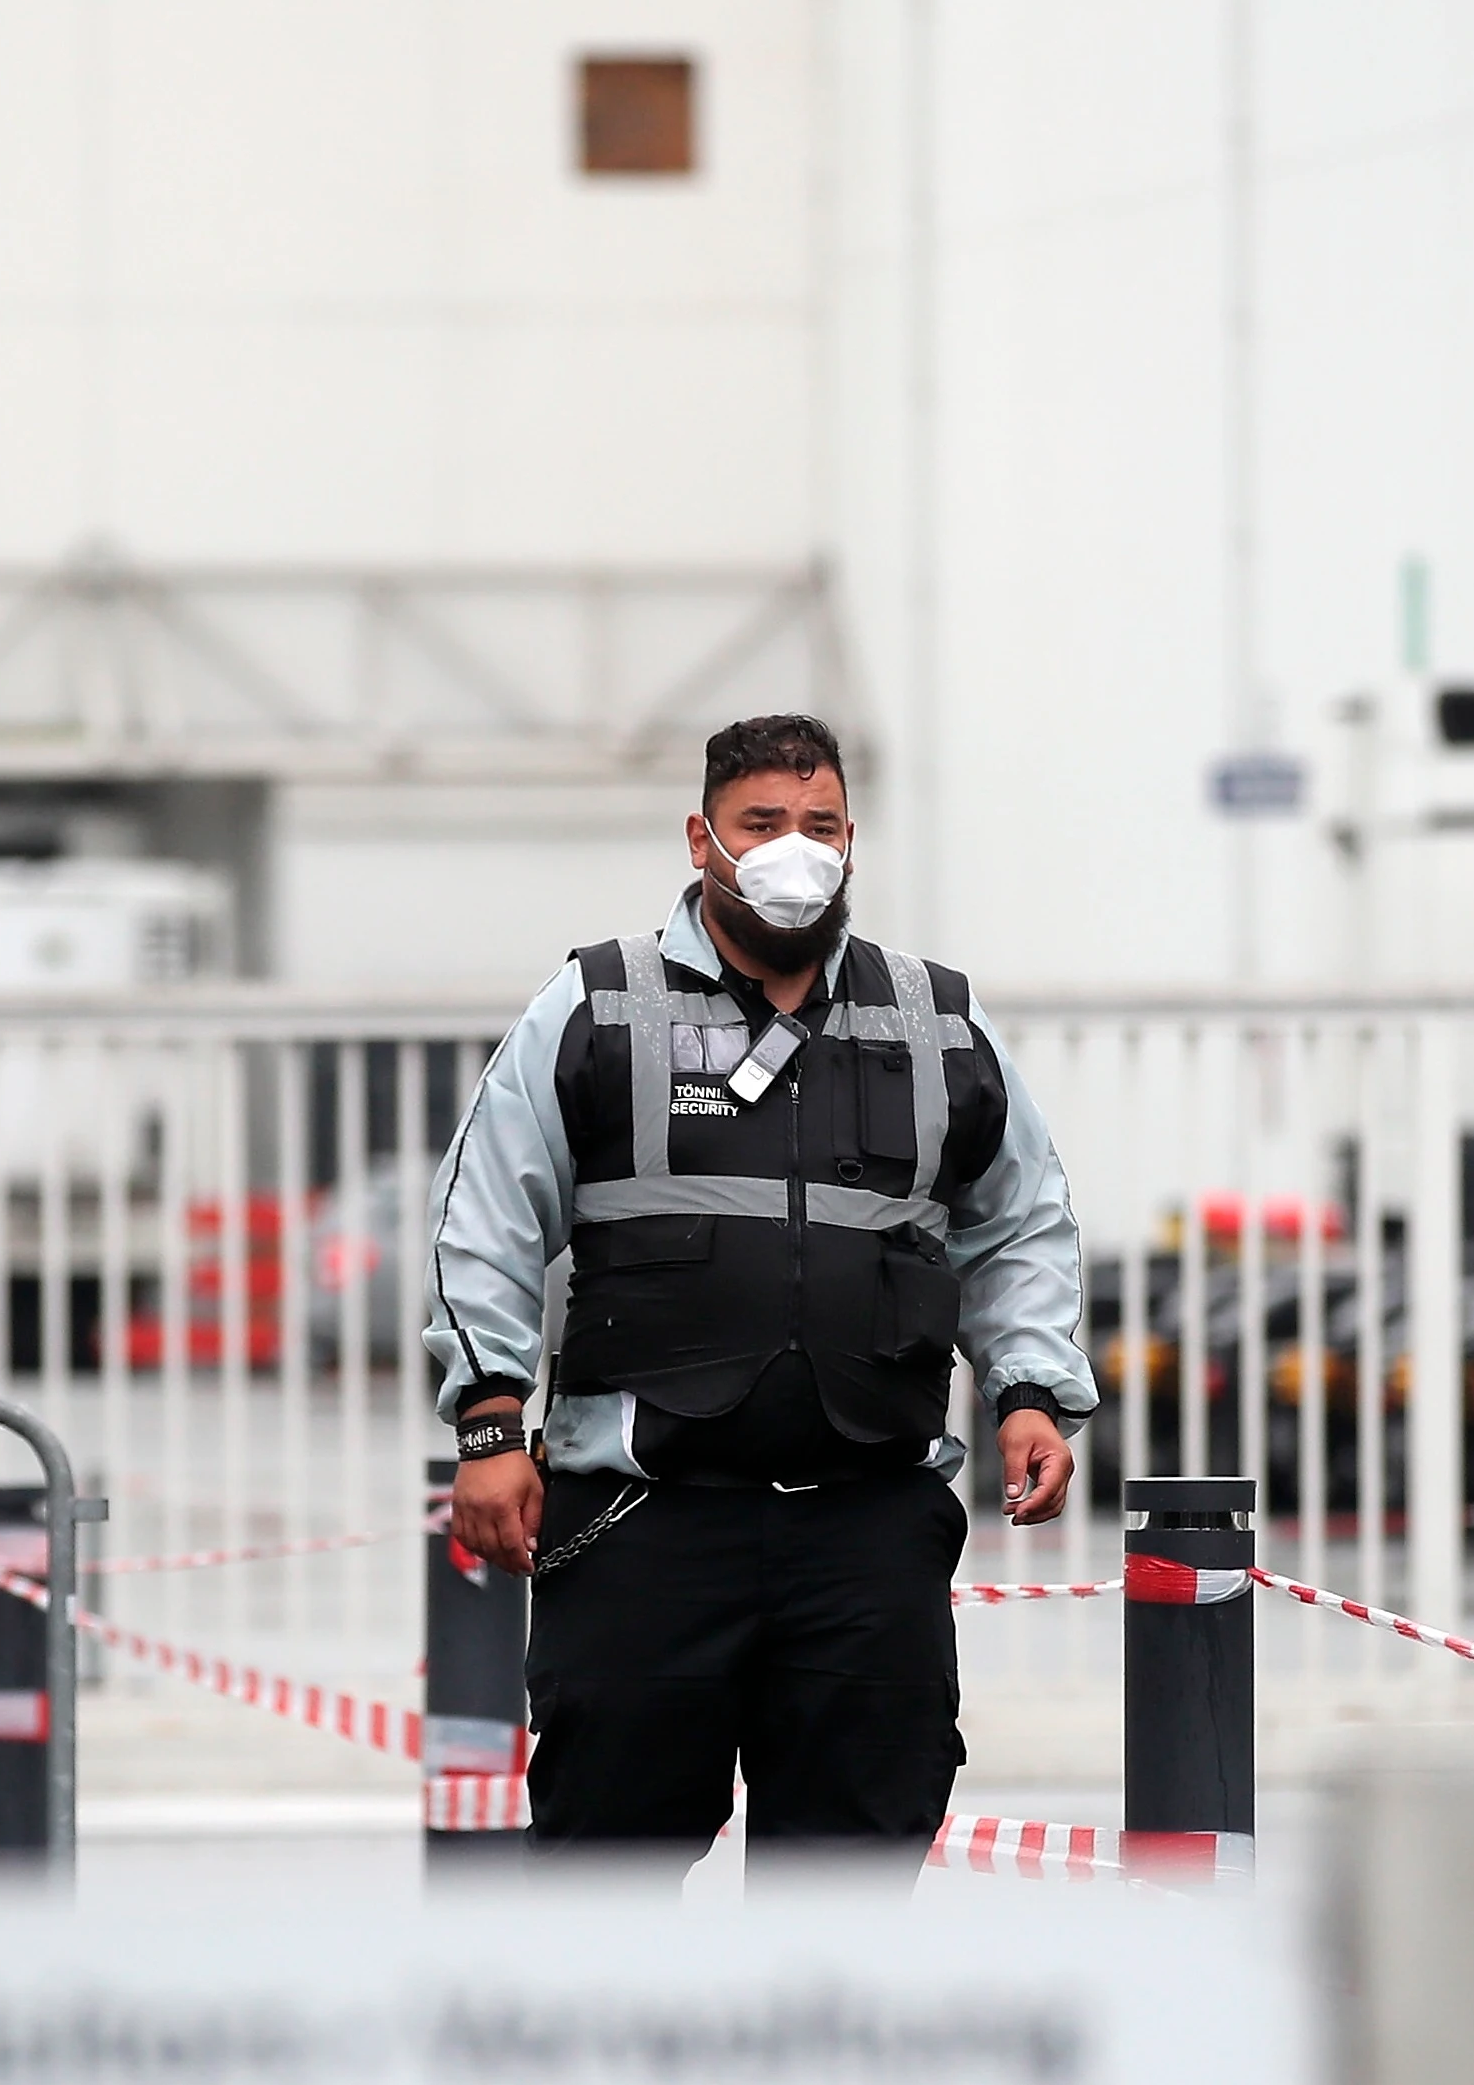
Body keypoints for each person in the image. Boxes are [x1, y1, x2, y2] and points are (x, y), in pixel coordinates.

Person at [420, 712, 1094, 1865]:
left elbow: (1018, 1220)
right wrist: (490, 1424)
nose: (796, 848)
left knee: (852, 1871)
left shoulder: (935, 1019)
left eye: (820, 824)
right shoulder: (597, 1008)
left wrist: (1029, 1387)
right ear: (702, 838)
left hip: (866, 1523)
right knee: (605, 1872)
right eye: (763, 823)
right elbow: (482, 1216)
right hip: (646, 1524)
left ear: (851, 842)